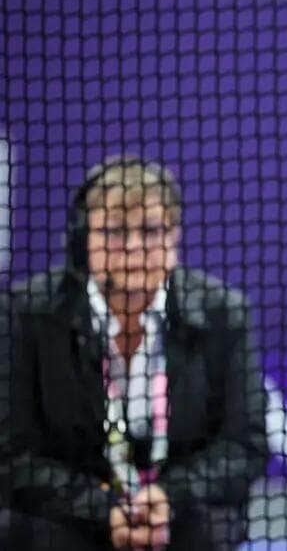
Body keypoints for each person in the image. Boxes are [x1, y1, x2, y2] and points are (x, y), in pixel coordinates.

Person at [2, 156, 269, 551]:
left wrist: (167, 498)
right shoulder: (29, 312)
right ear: (83, 241)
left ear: (173, 237)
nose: (133, 247)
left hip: (178, 514)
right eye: (113, 231)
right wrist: (102, 507)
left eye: (150, 230)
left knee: (212, 530)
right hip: (68, 513)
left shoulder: (223, 313)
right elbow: (10, 454)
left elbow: (245, 444)